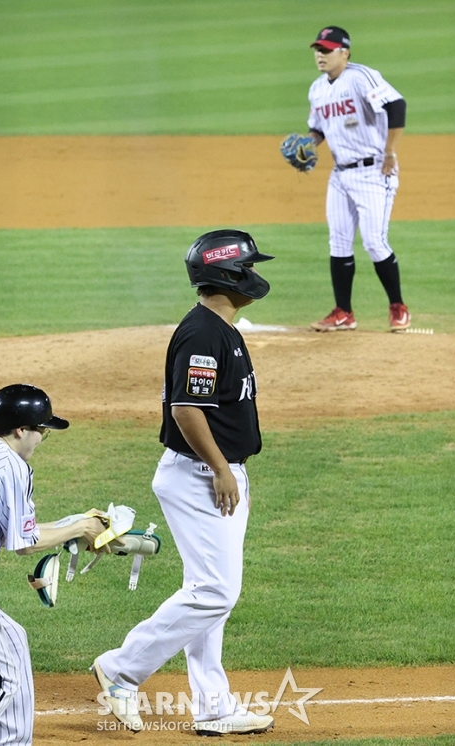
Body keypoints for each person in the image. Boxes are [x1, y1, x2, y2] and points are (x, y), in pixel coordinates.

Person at [92, 229, 275, 736]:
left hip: (214, 473)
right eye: (248, 267)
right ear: (228, 275)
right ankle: (121, 669)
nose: (255, 274)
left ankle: (214, 706)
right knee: (216, 591)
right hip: (201, 475)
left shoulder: (219, 327)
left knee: (206, 590)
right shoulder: (203, 333)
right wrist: (220, 468)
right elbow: (186, 409)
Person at [0, 384, 106, 746]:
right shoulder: (12, 465)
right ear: (20, 430)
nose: (44, 436)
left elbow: (18, 530)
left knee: (12, 638)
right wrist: (81, 527)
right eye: (41, 429)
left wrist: (75, 524)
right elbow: (25, 545)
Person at [304, 26, 411, 332]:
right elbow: (319, 129)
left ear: (344, 52)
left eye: (327, 50)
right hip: (340, 175)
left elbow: (396, 105)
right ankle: (343, 313)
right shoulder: (317, 89)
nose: (320, 55)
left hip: (374, 171)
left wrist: (390, 151)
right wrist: (307, 145)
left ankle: (398, 307)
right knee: (338, 242)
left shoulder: (361, 76)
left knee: (375, 242)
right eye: (318, 50)